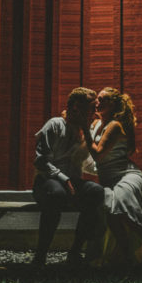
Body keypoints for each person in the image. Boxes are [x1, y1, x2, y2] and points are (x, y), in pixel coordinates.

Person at [85, 87, 142, 268]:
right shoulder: (95, 124)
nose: (98, 102)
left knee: (120, 207)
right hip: (108, 179)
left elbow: (97, 155)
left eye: (103, 100)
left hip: (126, 175)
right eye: (97, 99)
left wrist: (83, 127)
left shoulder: (115, 125)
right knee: (111, 214)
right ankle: (127, 255)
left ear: (113, 105)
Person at [32, 87, 105, 266]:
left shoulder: (85, 131)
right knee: (57, 194)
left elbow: (86, 164)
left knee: (96, 191)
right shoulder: (55, 124)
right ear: (75, 107)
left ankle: (75, 252)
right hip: (47, 182)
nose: (95, 112)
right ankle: (40, 255)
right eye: (91, 108)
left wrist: (110, 172)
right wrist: (63, 179)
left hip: (73, 182)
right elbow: (41, 161)